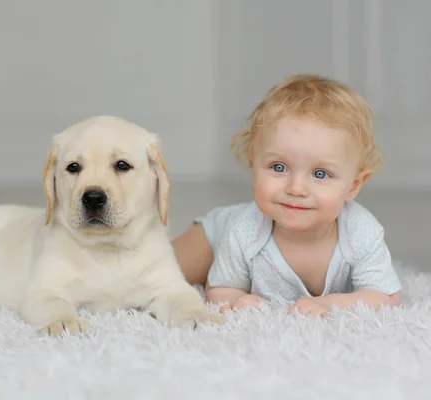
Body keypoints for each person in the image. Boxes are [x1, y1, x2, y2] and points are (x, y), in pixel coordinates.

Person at [172, 74, 403, 318]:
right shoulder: (242, 230)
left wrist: (331, 303)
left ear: (354, 185)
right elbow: (220, 289)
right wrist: (239, 299)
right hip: (213, 235)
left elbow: (387, 295)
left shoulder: (360, 232)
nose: (296, 188)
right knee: (156, 275)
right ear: (254, 165)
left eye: (321, 173)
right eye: (279, 167)